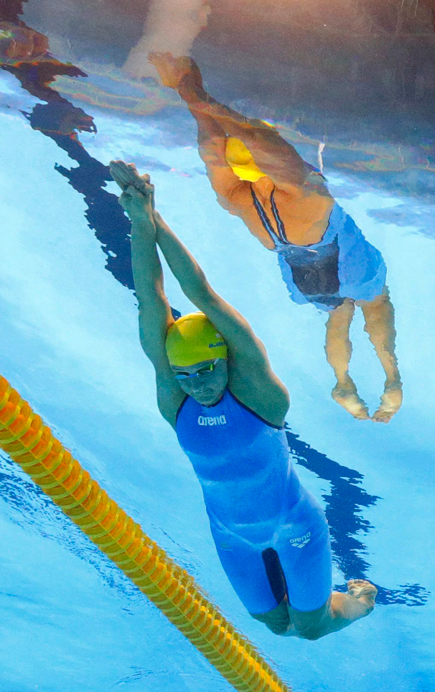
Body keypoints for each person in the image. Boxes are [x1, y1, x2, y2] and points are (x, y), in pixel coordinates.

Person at [114, 159, 377, 639]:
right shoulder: (175, 400)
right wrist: (138, 221)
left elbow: (204, 296)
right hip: (232, 536)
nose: (198, 385)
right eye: (186, 375)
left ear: (226, 361)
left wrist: (155, 220)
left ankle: (360, 600)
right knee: (277, 626)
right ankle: (321, 602)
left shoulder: (260, 395)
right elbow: (151, 300)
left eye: (208, 370)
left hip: (294, 525)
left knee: (311, 627)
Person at [149, 53, 403, 422]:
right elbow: (256, 136)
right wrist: (197, 90)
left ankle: (342, 379)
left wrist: (187, 85)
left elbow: (211, 145)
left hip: (298, 269)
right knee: (376, 305)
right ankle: (392, 380)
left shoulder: (235, 197)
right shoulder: (303, 191)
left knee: (337, 313)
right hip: (338, 249)